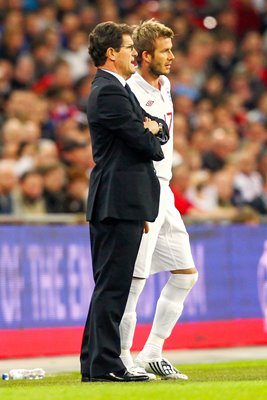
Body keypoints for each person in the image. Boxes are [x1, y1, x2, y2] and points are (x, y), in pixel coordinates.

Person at [80, 21, 169, 383]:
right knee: (113, 286)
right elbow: (147, 142)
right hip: (117, 199)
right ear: (112, 52)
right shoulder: (110, 92)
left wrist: (150, 129)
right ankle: (106, 365)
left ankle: (93, 361)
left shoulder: (115, 89)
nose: (135, 52)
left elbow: (157, 128)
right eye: (130, 46)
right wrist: (148, 131)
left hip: (122, 200)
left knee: (109, 285)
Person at [119, 19, 198, 380]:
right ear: (145, 55)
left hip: (165, 190)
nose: (172, 57)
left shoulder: (164, 85)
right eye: (165, 51)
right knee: (135, 281)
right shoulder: (130, 92)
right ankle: (122, 358)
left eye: (172, 49)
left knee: (185, 274)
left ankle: (153, 351)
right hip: (145, 188)